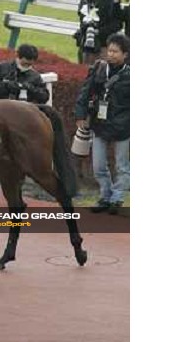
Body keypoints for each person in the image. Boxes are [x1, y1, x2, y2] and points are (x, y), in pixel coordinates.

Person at [0, 44, 49, 207]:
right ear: (17, 57)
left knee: (19, 160)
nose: (26, 67)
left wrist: (30, 89)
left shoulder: (34, 76)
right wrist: (8, 85)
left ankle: (16, 197)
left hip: (20, 124)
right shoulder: (0, 68)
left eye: (29, 65)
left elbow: (44, 96)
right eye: (24, 63)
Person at [75, 33, 130, 214]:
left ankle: (117, 198)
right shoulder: (99, 68)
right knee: (98, 165)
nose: (111, 54)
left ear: (125, 54)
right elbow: (85, 92)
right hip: (100, 123)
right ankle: (105, 196)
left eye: (116, 51)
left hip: (124, 126)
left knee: (122, 166)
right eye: (110, 50)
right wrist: (81, 114)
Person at [74, 0, 125, 65]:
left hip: (105, 48)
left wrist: (97, 32)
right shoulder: (84, 1)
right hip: (86, 47)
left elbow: (117, 24)